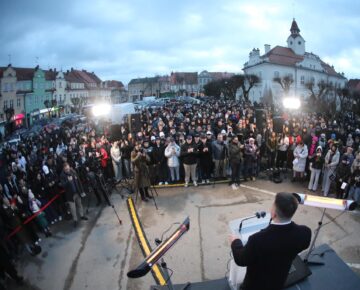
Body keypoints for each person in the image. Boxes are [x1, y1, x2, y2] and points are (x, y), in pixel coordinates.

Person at [229, 192, 311, 290]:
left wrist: (235, 241)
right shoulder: (304, 233)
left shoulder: (257, 240)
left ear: (273, 214)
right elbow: (303, 245)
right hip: (278, 282)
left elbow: (241, 259)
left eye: (273, 205)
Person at [60, 162, 88, 227]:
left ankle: (82, 215)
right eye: (66, 169)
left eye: (68, 169)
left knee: (79, 204)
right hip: (70, 195)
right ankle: (75, 220)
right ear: (64, 169)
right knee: (73, 209)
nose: (68, 170)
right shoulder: (62, 176)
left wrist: (82, 191)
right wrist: (68, 182)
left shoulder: (73, 171)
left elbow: (78, 181)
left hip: (77, 192)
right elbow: (63, 185)